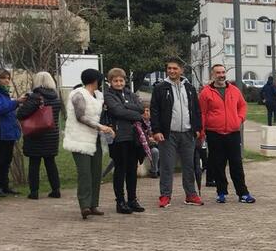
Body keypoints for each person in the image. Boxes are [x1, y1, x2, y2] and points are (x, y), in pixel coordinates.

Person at [150, 58, 203, 208]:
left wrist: (197, 128)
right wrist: (156, 130)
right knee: (167, 166)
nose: (172, 71)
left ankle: (191, 194)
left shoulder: (190, 88)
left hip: (188, 132)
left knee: (189, 165)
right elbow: (154, 110)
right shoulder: (160, 88)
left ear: (181, 70)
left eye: (175, 68)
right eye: (169, 68)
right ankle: (165, 195)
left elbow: (196, 110)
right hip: (168, 134)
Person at [199, 63, 255, 204]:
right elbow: (202, 113)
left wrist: (240, 119)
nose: (221, 75)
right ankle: (221, 192)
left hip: (233, 132)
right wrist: (202, 132)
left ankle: (243, 193)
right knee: (218, 164)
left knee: (236, 164)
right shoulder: (206, 92)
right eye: (218, 72)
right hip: (214, 133)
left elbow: (242, 105)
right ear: (213, 75)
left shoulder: (234, 90)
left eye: (223, 72)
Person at [63, 68, 114, 218]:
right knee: (84, 173)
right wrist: (101, 127)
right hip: (79, 140)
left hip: (95, 139)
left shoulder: (99, 96)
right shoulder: (78, 94)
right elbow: (81, 117)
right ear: (95, 80)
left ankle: (93, 204)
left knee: (95, 173)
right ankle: (84, 205)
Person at [103, 67, 147, 214]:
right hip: (119, 137)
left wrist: (127, 106)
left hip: (134, 137)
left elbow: (141, 108)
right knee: (120, 169)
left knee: (132, 170)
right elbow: (117, 111)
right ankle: (120, 201)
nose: (119, 83)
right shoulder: (108, 95)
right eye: (115, 80)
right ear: (110, 82)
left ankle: (132, 199)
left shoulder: (131, 93)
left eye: (121, 80)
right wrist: (133, 112)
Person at [16, 71, 61, 200]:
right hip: (52, 135)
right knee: (50, 162)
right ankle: (56, 189)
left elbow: (21, 114)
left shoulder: (36, 97)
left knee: (34, 163)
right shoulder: (56, 97)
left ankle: (34, 192)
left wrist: (22, 104)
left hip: (36, 134)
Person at [0, 68, 25, 197]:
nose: (7, 80)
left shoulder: (5, 93)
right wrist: (16, 102)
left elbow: (9, 109)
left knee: (6, 160)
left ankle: (4, 186)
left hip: (9, 131)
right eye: (4, 78)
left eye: (8, 78)